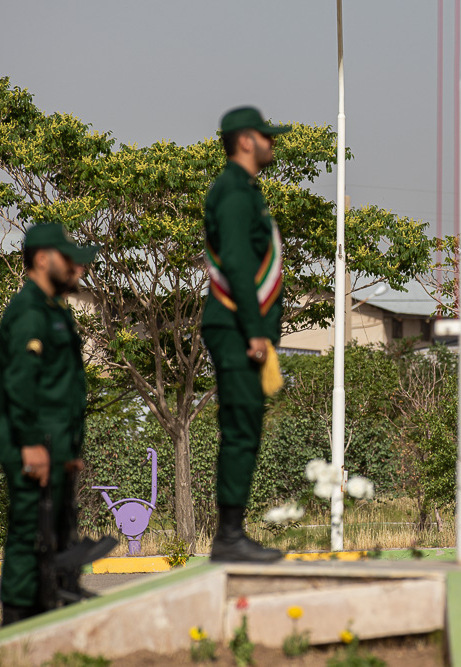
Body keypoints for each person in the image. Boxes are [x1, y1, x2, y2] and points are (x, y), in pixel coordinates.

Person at [0, 223, 99, 626]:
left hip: (55, 445)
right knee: (29, 531)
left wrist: (69, 450)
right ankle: (17, 619)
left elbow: (61, 390)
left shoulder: (54, 312)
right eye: (68, 260)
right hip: (33, 445)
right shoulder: (29, 312)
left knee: (55, 530)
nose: (78, 269)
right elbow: (21, 384)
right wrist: (32, 444)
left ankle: (50, 606)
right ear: (41, 259)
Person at [202, 106, 290, 563]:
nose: (272, 142)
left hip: (242, 329)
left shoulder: (245, 190)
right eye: (266, 135)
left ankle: (234, 532)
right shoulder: (234, 193)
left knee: (247, 426)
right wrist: (255, 332)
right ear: (244, 141)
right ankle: (229, 536)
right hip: (236, 329)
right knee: (239, 428)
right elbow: (236, 262)